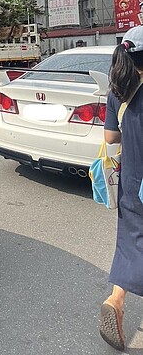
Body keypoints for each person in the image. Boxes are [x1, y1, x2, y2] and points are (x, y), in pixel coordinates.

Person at [100, 25, 143, 351]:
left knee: (131, 242)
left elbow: (111, 139)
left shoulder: (118, 91)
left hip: (133, 180)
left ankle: (116, 300)